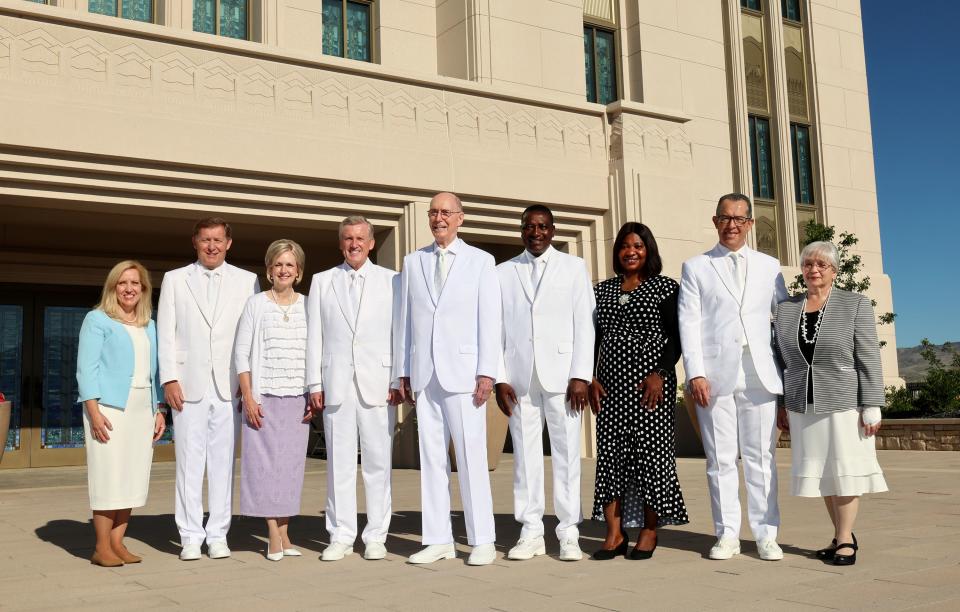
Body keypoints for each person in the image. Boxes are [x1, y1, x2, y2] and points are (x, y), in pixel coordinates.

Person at [678, 193, 788, 561]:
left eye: (739, 219)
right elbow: (688, 323)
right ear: (715, 221)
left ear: (750, 223)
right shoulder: (696, 267)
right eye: (725, 218)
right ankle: (727, 534)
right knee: (720, 460)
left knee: (761, 458)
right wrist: (695, 374)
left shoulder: (770, 266)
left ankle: (766, 534)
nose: (732, 225)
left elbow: (783, 320)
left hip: (760, 374)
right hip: (714, 376)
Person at [394, 192, 501, 566]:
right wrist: (402, 371)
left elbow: (490, 319)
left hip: (465, 374)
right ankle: (438, 538)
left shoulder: (481, 261)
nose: (439, 218)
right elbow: (404, 320)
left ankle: (482, 539)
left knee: (471, 458)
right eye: (433, 212)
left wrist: (488, 370)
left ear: (460, 218)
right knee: (432, 459)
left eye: (445, 212)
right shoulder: (413, 261)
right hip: (425, 373)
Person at [774, 241, 887, 566]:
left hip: (844, 403)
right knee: (822, 473)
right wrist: (783, 402)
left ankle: (845, 540)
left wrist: (872, 404)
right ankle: (842, 536)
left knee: (845, 472)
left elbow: (868, 356)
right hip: (802, 403)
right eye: (808, 263)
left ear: (835, 271)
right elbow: (782, 361)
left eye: (822, 264)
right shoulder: (786, 309)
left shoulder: (855, 305)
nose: (814, 269)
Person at [495, 204, 595, 562]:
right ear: (521, 230)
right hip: (520, 379)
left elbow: (585, 323)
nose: (536, 233)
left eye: (543, 227)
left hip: (565, 379)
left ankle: (569, 531)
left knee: (567, 455)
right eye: (529, 227)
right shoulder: (503, 272)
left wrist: (581, 375)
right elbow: (496, 329)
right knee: (524, 457)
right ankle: (531, 530)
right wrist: (500, 378)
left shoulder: (573, 267)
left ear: (553, 231)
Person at [158, 217, 259, 561]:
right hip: (187, 385)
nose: (212, 246)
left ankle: (217, 533)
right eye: (206, 240)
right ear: (195, 242)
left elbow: (253, 337)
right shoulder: (174, 279)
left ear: (228, 243)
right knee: (188, 462)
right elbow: (166, 334)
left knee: (222, 464)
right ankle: (189, 535)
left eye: (218, 240)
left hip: (228, 385)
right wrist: (169, 377)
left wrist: (250, 388)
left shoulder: (248, 281)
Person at [588, 223, 688, 560]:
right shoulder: (601, 291)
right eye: (624, 246)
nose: (631, 252)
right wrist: (591, 376)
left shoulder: (665, 288)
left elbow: (676, 337)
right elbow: (593, 339)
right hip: (611, 386)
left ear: (649, 250)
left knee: (651, 456)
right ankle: (614, 534)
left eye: (638, 246)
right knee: (611, 458)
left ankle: (649, 530)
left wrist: (660, 374)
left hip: (650, 387)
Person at [306, 217, 400, 562]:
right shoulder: (322, 281)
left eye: (360, 238)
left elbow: (399, 333)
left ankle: (376, 534)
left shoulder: (393, 281)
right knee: (339, 466)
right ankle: (341, 534)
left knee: (378, 464)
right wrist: (314, 383)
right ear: (340, 243)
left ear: (371, 243)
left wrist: (398, 378)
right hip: (335, 384)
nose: (354, 243)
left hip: (379, 384)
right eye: (348, 238)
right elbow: (314, 335)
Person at [77, 260, 166, 567]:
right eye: (123, 283)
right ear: (113, 287)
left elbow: (155, 372)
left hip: (143, 409)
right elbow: (85, 370)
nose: (129, 289)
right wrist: (93, 411)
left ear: (144, 289)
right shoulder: (97, 319)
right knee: (108, 476)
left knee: (132, 476)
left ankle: (118, 542)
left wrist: (160, 409)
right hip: (109, 409)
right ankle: (102, 546)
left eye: (135, 283)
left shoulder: (149, 324)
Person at [234, 239, 311, 561]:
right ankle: (272, 533)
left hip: (297, 397)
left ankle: (285, 531)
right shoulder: (256, 305)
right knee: (263, 467)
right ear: (269, 270)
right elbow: (241, 353)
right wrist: (249, 396)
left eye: (289, 264)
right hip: (263, 397)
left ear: (299, 272)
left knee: (290, 468)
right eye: (278, 264)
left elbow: (315, 353)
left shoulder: (309, 305)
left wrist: (313, 392)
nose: (283, 270)